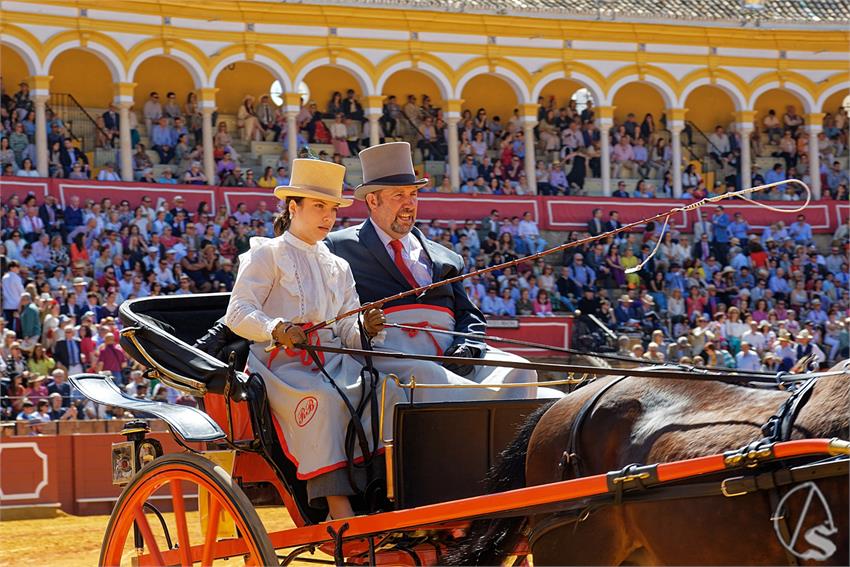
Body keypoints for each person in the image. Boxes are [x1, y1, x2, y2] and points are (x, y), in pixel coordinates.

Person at [326, 142, 557, 400]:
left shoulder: (445, 255)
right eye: (398, 195)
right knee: (426, 375)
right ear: (372, 200)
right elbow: (335, 313)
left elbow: (468, 314)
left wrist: (467, 347)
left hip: (447, 350)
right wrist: (363, 326)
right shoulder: (339, 247)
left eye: (413, 195)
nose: (409, 204)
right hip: (391, 351)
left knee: (520, 370)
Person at [225, 159, 387, 520]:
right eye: (318, 206)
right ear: (293, 207)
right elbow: (237, 313)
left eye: (332, 208)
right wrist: (277, 329)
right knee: (325, 399)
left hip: (330, 358)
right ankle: (336, 505)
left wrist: (365, 327)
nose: (328, 216)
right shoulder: (266, 253)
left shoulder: (338, 265)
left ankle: (380, 493)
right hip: (279, 365)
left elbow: (345, 327)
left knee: (382, 389)